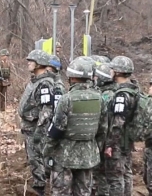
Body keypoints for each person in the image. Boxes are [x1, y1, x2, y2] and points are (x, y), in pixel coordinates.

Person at [44, 56, 108, 195]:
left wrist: (47, 151)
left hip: (65, 155)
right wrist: (95, 150)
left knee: (61, 192)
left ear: (71, 77)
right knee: (84, 192)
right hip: (88, 156)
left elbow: (57, 129)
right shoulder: (100, 98)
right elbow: (103, 130)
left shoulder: (67, 99)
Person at [104, 56, 152, 196]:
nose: (110, 71)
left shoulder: (122, 95)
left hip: (118, 141)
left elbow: (118, 122)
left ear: (118, 72)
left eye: (112, 69)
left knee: (115, 177)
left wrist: (109, 144)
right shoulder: (135, 90)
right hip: (127, 140)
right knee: (125, 173)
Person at [18, 49, 65, 195]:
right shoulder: (37, 81)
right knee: (33, 159)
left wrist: (39, 132)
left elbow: (46, 110)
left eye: (31, 61)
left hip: (35, 129)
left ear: (39, 64)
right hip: (29, 127)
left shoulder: (45, 84)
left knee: (36, 159)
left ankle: (40, 187)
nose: (28, 64)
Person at [92, 62, 116, 195]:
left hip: (105, 140)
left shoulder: (107, 95)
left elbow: (105, 119)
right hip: (106, 139)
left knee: (101, 173)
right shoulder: (107, 92)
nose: (94, 79)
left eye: (96, 77)